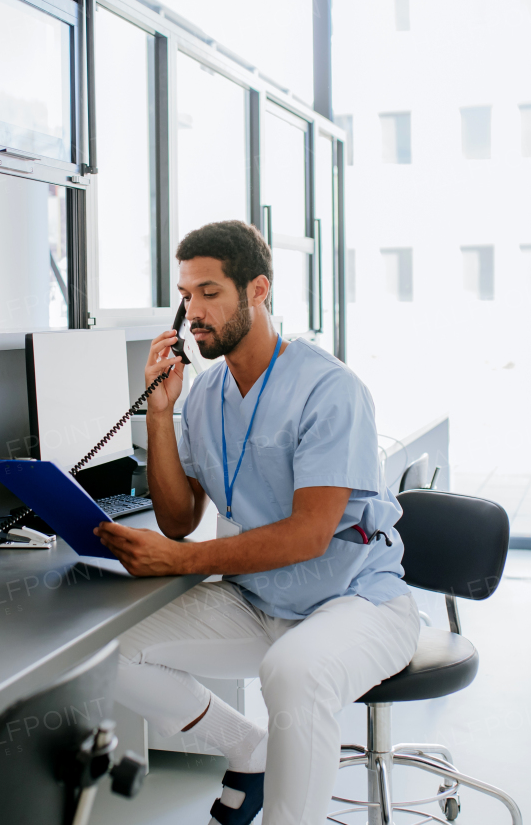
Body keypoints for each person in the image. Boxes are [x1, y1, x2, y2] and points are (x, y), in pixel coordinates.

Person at [93, 220, 421, 825]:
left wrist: (184, 561)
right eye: (186, 295)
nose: (194, 312)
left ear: (258, 291)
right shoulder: (203, 394)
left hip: (356, 601)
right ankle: (247, 746)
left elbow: (309, 534)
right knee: (106, 647)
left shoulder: (330, 390)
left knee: (293, 672)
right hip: (257, 601)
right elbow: (177, 518)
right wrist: (159, 414)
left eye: (210, 293)